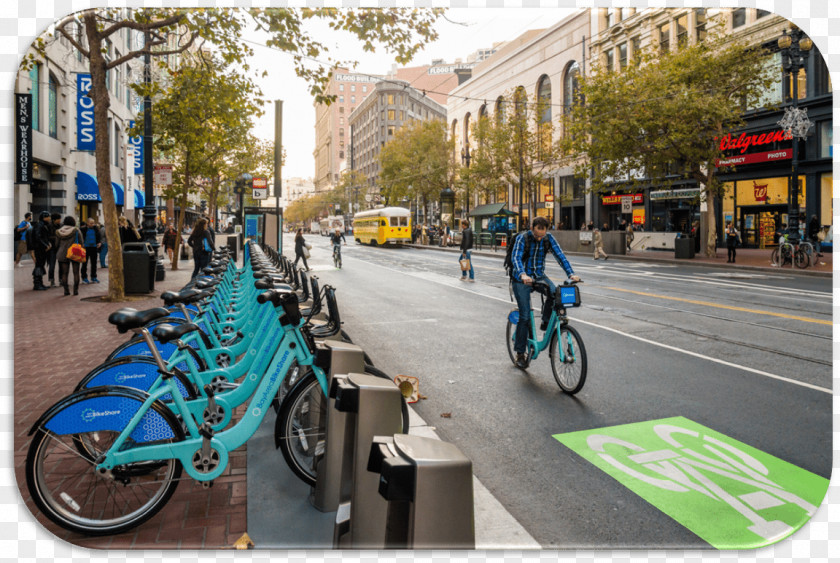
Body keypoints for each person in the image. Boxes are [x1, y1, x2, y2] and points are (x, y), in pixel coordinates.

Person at [510, 216, 581, 368]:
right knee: (524, 316)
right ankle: (520, 353)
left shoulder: (548, 238)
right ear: (532, 229)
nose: (539, 238)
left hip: (539, 276)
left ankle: (545, 321)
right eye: (537, 235)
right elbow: (515, 257)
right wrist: (523, 274)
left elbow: (560, 256)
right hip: (521, 279)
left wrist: (571, 273)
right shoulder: (523, 238)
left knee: (555, 292)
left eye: (542, 236)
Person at [55, 216, 83, 296]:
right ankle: (75, 290)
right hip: (75, 253)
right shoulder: (76, 230)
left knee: (64, 273)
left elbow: (56, 244)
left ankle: (66, 290)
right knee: (76, 273)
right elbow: (81, 241)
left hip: (62, 253)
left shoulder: (58, 231)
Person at [30, 211, 53, 291]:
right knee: (39, 265)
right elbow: (38, 237)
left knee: (40, 264)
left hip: (42, 248)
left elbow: (43, 237)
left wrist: (47, 244)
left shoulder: (43, 225)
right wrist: (45, 245)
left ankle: (40, 283)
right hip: (39, 249)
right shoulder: (39, 226)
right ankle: (37, 284)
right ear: (44, 217)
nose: (49, 218)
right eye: (48, 217)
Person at [79, 217, 101, 284]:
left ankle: (93, 277)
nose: (93, 224)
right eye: (91, 223)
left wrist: (99, 242)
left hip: (94, 248)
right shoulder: (83, 229)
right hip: (86, 248)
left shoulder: (96, 229)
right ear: (87, 223)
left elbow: (98, 236)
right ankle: (84, 277)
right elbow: (80, 237)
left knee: (94, 263)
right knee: (84, 263)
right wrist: (82, 244)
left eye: (93, 223)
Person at [46, 212, 61, 287]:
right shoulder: (49, 226)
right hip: (52, 248)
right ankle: (52, 280)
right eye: (58, 219)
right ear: (54, 220)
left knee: (61, 264)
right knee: (52, 265)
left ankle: (61, 280)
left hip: (60, 247)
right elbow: (48, 237)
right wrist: (57, 237)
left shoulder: (61, 226)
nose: (60, 220)